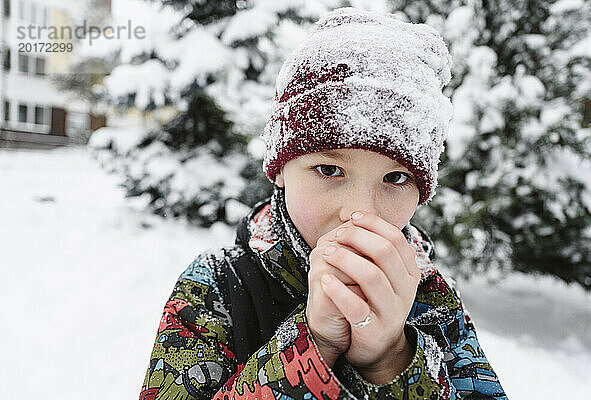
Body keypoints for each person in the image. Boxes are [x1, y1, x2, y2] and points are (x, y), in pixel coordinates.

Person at [139, 7, 508, 400]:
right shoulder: (218, 289)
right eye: (329, 170)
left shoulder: (433, 300)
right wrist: (313, 345)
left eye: (396, 178)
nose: (359, 212)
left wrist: (389, 360)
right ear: (280, 170)